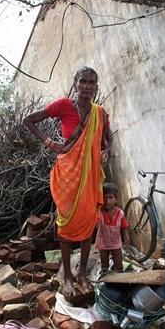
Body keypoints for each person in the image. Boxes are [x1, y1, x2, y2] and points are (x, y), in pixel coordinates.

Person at [23, 67, 112, 298]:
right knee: (65, 222)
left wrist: (106, 151)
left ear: (96, 87)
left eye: (92, 82)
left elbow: (107, 140)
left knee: (88, 221)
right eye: (83, 81)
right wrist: (49, 142)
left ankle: (81, 274)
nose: (87, 86)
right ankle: (68, 277)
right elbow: (29, 120)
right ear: (75, 84)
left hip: (89, 175)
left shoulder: (100, 113)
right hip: (67, 174)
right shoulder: (63, 105)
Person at [95, 183, 130, 276]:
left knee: (118, 264)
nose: (107, 201)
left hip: (116, 243)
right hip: (103, 243)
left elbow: (124, 226)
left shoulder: (120, 213)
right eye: (104, 197)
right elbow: (94, 224)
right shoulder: (99, 212)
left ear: (116, 199)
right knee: (104, 264)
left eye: (110, 197)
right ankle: (105, 277)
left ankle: (119, 276)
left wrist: (126, 235)